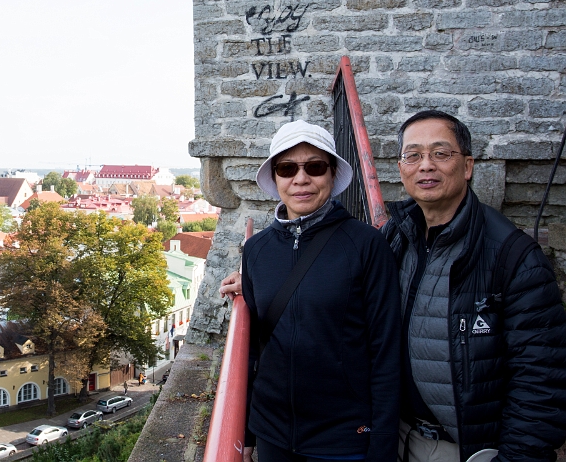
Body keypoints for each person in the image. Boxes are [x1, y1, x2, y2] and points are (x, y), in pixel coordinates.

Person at [222, 111, 566, 461]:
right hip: (333, 433)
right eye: (413, 155)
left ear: (467, 166)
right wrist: (251, 280)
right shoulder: (399, 237)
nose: (426, 166)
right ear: (401, 167)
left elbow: (541, 379)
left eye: (441, 154)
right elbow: (267, 335)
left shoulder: (511, 256)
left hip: (452, 443)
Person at [236, 119, 400, 462]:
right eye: (286, 168)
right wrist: (247, 431)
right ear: (275, 177)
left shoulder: (366, 245)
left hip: (343, 436)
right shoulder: (256, 251)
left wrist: (383, 441)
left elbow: (386, 350)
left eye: (314, 167)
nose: (301, 179)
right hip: (273, 432)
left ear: (331, 174)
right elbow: (254, 352)